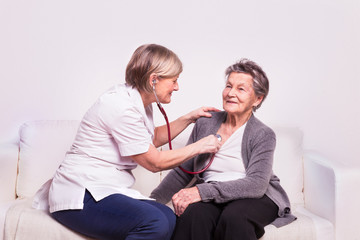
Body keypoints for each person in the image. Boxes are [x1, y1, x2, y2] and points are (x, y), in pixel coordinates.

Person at [32, 43, 221, 240]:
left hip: (102, 189)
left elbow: (150, 139)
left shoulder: (139, 102)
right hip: (80, 194)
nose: (177, 87)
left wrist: (189, 118)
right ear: (154, 80)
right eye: (173, 80)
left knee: (167, 216)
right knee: (155, 221)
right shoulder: (120, 106)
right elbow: (154, 162)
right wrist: (200, 146)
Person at [150, 59, 297, 240]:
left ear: (257, 99)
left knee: (235, 218)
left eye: (241, 89)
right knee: (193, 215)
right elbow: (184, 171)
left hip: (255, 197)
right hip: (212, 195)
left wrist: (201, 192)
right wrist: (151, 202)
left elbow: (256, 185)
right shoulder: (206, 123)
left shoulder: (263, 134)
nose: (231, 93)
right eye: (228, 86)